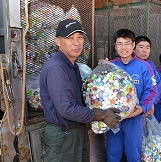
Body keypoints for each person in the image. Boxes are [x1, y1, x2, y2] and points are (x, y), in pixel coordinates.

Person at [39, 19, 121, 162]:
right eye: (70, 38)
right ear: (58, 41)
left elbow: (81, 98)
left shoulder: (73, 66)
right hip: (63, 136)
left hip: (76, 131)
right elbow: (67, 109)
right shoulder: (56, 68)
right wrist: (102, 114)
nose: (77, 43)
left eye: (80, 37)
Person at [106, 29, 156, 161]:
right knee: (113, 154)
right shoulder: (110, 66)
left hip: (134, 118)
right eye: (120, 44)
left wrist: (143, 107)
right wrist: (102, 69)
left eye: (127, 43)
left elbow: (151, 90)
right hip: (113, 119)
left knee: (134, 155)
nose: (124, 47)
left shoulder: (144, 66)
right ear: (115, 46)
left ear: (133, 45)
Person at [134, 35, 161, 116]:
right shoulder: (128, 64)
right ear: (133, 48)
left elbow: (156, 84)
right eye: (141, 47)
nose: (144, 51)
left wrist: (152, 103)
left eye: (147, 47)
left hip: (147, 107)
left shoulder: (150, 65)